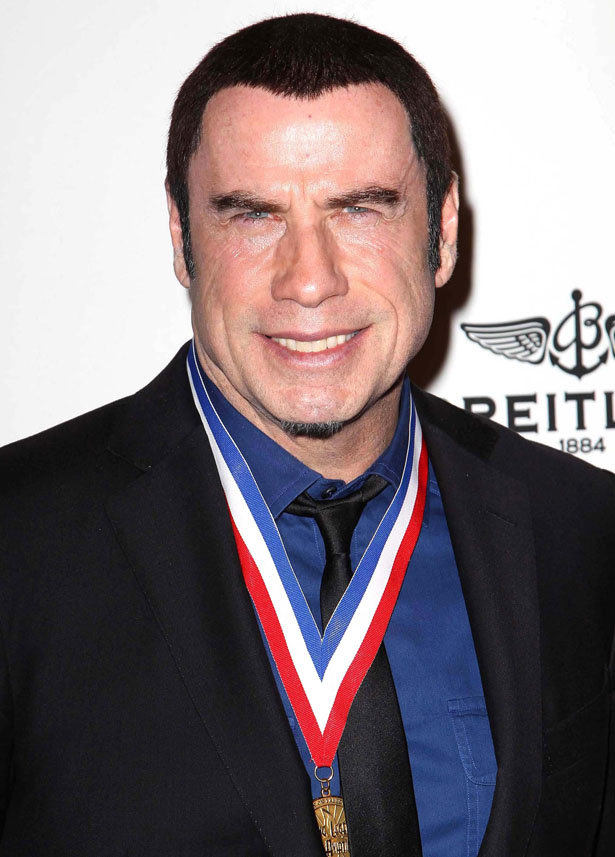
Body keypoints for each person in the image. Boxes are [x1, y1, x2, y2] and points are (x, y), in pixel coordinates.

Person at [0, 12, 613, 857]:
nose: (310, 280)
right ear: (181, 239)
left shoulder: (579, 526)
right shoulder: (18, 541)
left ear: (441, 231)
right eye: (253, 216)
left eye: (358, 209)